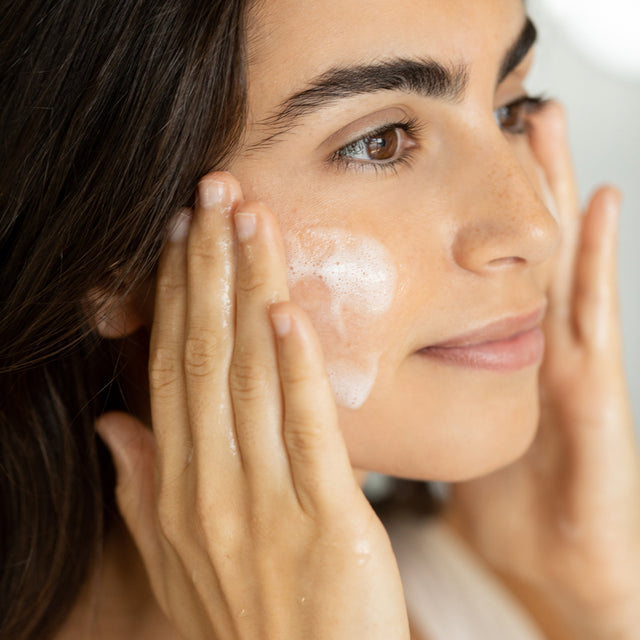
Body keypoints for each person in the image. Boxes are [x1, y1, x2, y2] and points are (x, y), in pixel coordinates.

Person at [1, 0, 639, 638]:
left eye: (509, 109)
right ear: (113, 261)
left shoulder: (500, 599)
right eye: (380, 143)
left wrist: (590, 605)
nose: (535, 226)